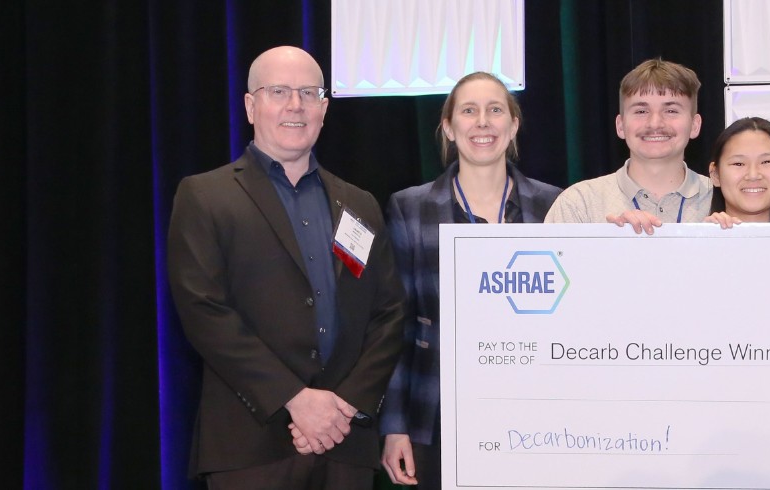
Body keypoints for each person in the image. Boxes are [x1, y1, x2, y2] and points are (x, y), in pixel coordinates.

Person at [167, 46, 405, 488]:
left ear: (324, 107)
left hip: (345, 442)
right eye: (278, 91)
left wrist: (345, 405)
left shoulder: (360, 204)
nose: (296, 105)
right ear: (251, 105)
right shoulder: (204, 196)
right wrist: (296, 400)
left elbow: (389, 313)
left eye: (309, 93)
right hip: (251, 446)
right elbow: (203, 312)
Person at [379, 72, 562, 487]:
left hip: (536, 414)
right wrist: (394, 425)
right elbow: (397, 325)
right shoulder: (410, 208)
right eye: (469, 110)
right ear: (449, 126)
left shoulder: (553, 204)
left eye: (495, 110)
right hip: (439, 413)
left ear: (513, 125)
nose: (483, 122)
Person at [545, 58, 713, 233]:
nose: (655, 123)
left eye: (671, 111)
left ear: (695, 125)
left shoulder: (720, 200)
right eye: (641, 111)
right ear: (620, 125)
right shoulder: (579, 204)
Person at [705, 116, 770, 227]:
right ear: (715, 175)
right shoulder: (696, 242)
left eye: (766, 162)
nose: (753, 175)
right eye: (739, 164)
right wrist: (700, 238)